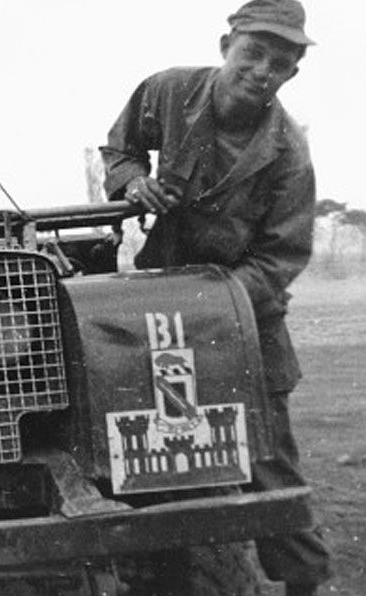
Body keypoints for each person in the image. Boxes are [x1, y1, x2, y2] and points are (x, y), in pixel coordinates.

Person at [99, 1, 331, 594]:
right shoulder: (169, 93)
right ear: (226, 44)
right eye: (253, 53)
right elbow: (119, 149)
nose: (262, 71)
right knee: (136, 440)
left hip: (244, 318)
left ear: (292, 74)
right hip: (154, 306)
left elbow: (280, 258)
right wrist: (134, 182)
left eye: (279, 63)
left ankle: (305, 580)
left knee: (267, 460)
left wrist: (210, 304)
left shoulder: (288, 153)